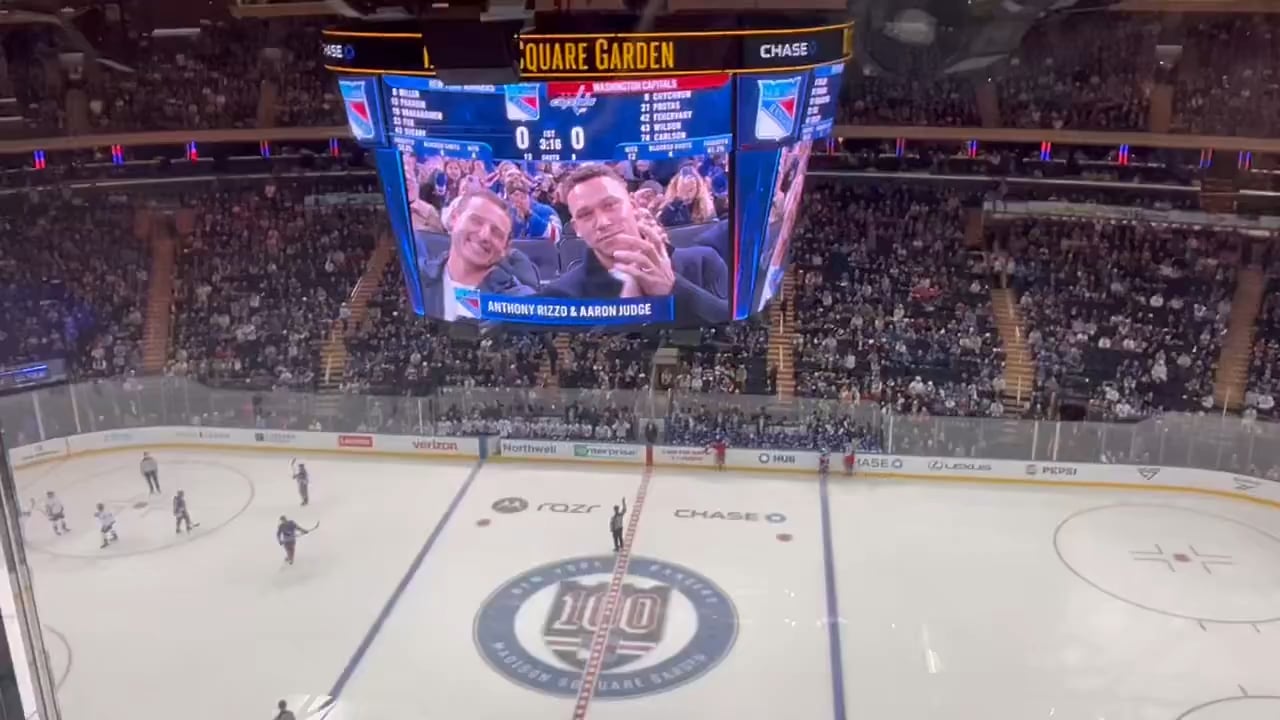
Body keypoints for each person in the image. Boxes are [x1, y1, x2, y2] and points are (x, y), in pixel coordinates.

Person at [544, 164, 729, 325]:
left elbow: (735, 333)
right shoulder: (559, 295)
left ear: (633, 206)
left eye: (610, 205)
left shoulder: (704, 263)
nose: (602, 222)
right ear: (577, 228)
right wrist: (626, 312)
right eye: (585, 215)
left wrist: (674, 288)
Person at [417, 190, 539, 320]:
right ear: (453, 218)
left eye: (496, 233)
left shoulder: (518, 303)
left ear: (505, 248)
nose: (484, 235)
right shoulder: (413, 279)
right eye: (476, 221)